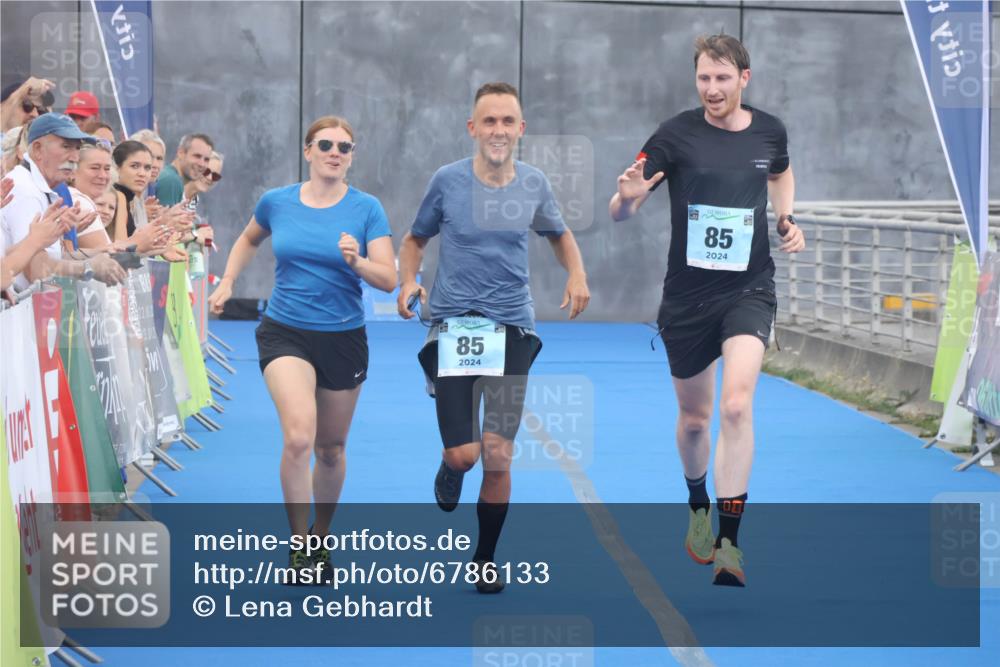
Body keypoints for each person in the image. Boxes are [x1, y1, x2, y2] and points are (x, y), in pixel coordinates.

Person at [609, 34, 805, 587]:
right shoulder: (674, 135)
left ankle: (730, 544)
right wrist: (625, 196)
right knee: (696, 419)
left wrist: (786, 217)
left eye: (723, 78)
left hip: (748, 290)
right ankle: (697, 502)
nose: (712, 88)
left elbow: (781, 171)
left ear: (745, 78)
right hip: (687, 299)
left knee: (737, 405)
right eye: (704, 78)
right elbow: (622, 209)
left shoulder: (769, 131)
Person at [397, 82, 590, 594]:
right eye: (489, 121)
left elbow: (559, 234)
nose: (499, 131)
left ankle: (485, 558)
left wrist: (576, 274)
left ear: (521, 130)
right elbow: (415, 238)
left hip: (512, 330)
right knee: (466, 455)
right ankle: (449, 464)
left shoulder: (534, 184)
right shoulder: (447, 182)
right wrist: (409, 280)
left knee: (499, 453)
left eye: (508, 122)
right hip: (455, 325)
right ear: (473, 129)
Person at [208, 116, 396, 580]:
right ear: (308, 150)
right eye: (327, 144)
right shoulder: (277, 202)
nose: (336, 152)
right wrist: (227, 280)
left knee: (330, 448)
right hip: (285, 330)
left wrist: (357, 262)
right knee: (298, 437)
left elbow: (389, 279)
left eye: (346, 147)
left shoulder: (366, 208)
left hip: (343, 336)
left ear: (352, 156)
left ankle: (320, 537)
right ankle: (297, 546)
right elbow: (250, 238)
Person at [1, 112, 125, 289]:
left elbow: (50, 257)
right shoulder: (25, 190)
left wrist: (98, 255)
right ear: (37, 149)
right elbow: (35, 270)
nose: (75, 156)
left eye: (77, 148)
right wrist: (87, 267)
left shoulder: (42, 187)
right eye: (66, 146)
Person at [156, 133, 214, 206]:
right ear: (181, 153)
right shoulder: (172, 181)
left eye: (206, 159)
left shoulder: (172, 178)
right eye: (197, 156)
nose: (201, 164)